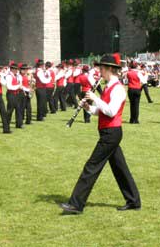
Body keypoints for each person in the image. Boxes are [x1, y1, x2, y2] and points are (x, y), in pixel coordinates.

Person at [60, 53, 140, 214]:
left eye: (101, 68)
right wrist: (88, 108)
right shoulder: (109, 86)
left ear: (110, 69)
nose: (99, 71)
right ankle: (133, 201)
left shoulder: (117, 88)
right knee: (120, 168)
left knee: (91, 166)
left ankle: (76, 203)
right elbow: (101, 111)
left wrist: (95, 98)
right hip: (108, 132)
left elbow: (111, 111)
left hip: (111, 133)